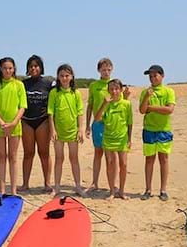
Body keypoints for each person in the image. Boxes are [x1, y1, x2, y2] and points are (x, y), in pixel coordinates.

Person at [85, 58, 130, 191]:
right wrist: (87, 125)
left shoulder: (115, 85)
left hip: (112, 124)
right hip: (98, 123)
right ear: (99, 70)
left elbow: (122, 104)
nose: (106, 72)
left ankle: (114, 184)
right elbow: (90, 105)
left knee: (111, 156)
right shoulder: (94, 86)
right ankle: (95, 182)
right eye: (103, 69)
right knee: (98, 153)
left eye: (108, 69)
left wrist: (126, 96)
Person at [0, 57, 27, 196]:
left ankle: (14, 190)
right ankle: (2, 189)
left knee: (13, 157)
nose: (8, 70)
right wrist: (1, 122)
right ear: (0, 69)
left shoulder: (19, 85)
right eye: (5, 68)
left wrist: (14, 122)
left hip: (15, 126)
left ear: (14, 69)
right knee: (2, 156)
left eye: (10, 68)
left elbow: (22, 106)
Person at [47, 64, 86, 198]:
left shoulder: (76, 93)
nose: (64, 78)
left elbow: (80, 112)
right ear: (58, 77)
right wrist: (52, 129)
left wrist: (80, 129)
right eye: (62, 76)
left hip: (73, 131)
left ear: (72, 77)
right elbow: (50, 113)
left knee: (74, 158)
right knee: (59, 158)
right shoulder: (54, 93)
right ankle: (57, 187)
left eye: (67, 76)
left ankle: (78, 186)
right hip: (58, 132)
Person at [139, 65, 176, 201]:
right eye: (150, 76)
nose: (153, 78)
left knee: (164, 159)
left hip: (164, 130)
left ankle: (163, 190)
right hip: (149, 129)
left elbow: (169, 109)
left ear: (162, 76)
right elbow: (142, 110)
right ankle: (148, 189)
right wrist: (147, 100)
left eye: (155, 75)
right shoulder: (145, 92)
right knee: (149, 160)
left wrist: (152, 108)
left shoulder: (169, 91)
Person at [94, 79, 132, 200]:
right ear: (108, 91)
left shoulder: (126, 104)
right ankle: (111, 191)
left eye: (116, 89)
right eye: (111, 89)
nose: (114, 91)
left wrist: (129, 139)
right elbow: (97, 118)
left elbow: (130, 123)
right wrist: (104, 104)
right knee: (110, 164)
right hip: (108, 139)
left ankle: (121, 191)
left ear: (121, 90)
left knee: (124, 164)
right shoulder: (107, 103)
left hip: (122, 139)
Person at [20, 55, 53, 192]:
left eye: (36, 66)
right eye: (31, 66)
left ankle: (47, 183)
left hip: (42, 121)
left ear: (41, 67)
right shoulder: (23, 84)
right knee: (28, 153)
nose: (33, 68)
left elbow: (54, 101)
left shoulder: (49, 83)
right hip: (27, 121)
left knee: (44, 152)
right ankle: (25, 183)